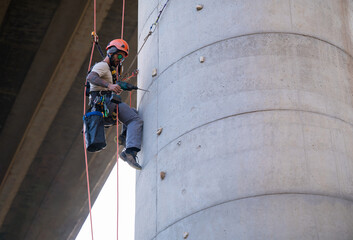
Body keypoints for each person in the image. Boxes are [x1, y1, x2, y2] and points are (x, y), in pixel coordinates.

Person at [86, 39, 143, 170]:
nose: (120, 60)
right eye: (120, 56)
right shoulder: (102, 66)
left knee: (133, 112)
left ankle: (124, 137)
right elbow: (91, 77)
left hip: (105, 107)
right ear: (111, 52)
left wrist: (127, 82)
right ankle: (130, 153)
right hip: (104, 103)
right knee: (135, 120)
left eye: (123, 58)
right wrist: (109, 85)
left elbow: (115, 83)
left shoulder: (110, 70)